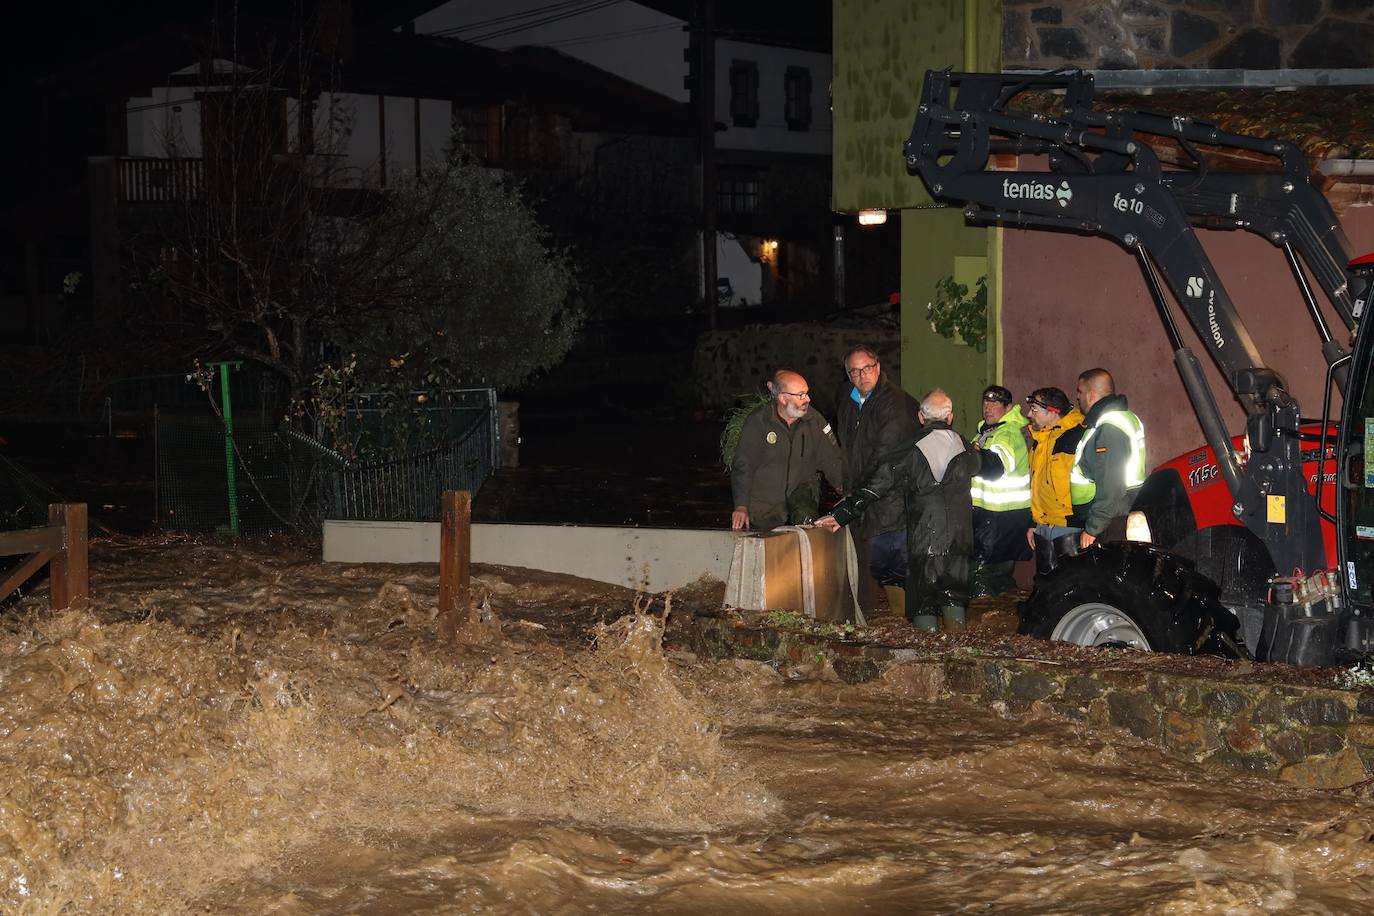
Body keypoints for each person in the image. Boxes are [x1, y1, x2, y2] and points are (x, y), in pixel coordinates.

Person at [816, 389, 978, 632]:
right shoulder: (964, 445)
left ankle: (927, 649)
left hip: (925, 537)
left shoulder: (910, 448)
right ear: (950, 416)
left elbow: (875, 486)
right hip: (960, 537)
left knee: (923, 599)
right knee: (953, 593)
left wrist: (842, 514)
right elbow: (989, 467)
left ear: (921, 418)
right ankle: (958, 644)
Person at [834, 345, 920, 609]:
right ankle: (868, 615)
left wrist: (856, 494)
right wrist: (845, 482)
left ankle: (903, 622)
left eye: (867, 368)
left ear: (878, 367)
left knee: (893, 563)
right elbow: (846, 446)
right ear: (848, 375)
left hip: (891, 498)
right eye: (855, 371)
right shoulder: (849, 401)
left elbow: (886, 457)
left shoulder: (896, 404)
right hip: (862, 494)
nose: (862, 375)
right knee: (866, 559)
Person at [730, 369, 845, 530]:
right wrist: (741, 506)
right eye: (800, 395)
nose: (808, 399)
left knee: (805, 520)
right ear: (782, 398)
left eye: (806, 393)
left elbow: (831, 459)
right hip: (764, 504)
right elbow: (744, 465)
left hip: (802, 495)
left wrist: (845, 490)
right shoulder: (758, 421)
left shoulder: (815, 421)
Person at [1071, 368, 1147, 550]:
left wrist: (1093, 528)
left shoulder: (1110, 428)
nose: (1077, 398)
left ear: (1090, 396)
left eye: (1079, 392)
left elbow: (1111, 484)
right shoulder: (1115, 419)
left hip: (1110, 523)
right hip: (1113, 517)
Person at [969, 385, 1032, 596]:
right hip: (990, 515)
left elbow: (994, 468)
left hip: (1001, 517)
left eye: (995, 403)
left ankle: (986, 619)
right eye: (985, 402)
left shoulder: (1009, 434)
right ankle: (1000, 616)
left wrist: (970, 454)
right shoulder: (986, 432)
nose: (988, 407)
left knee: (983, 575)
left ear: (1008, 407)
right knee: (998, 576)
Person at [1023, 387, 1088, 569]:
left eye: (1034, 409)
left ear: (1052, 412)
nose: (1029, 414)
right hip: (1044, 526)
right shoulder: (1040, 439)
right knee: (1047, 585)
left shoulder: (1077, 436)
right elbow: (1036, 484)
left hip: (1070, 527)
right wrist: (1034, 523)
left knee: (1071, 585)